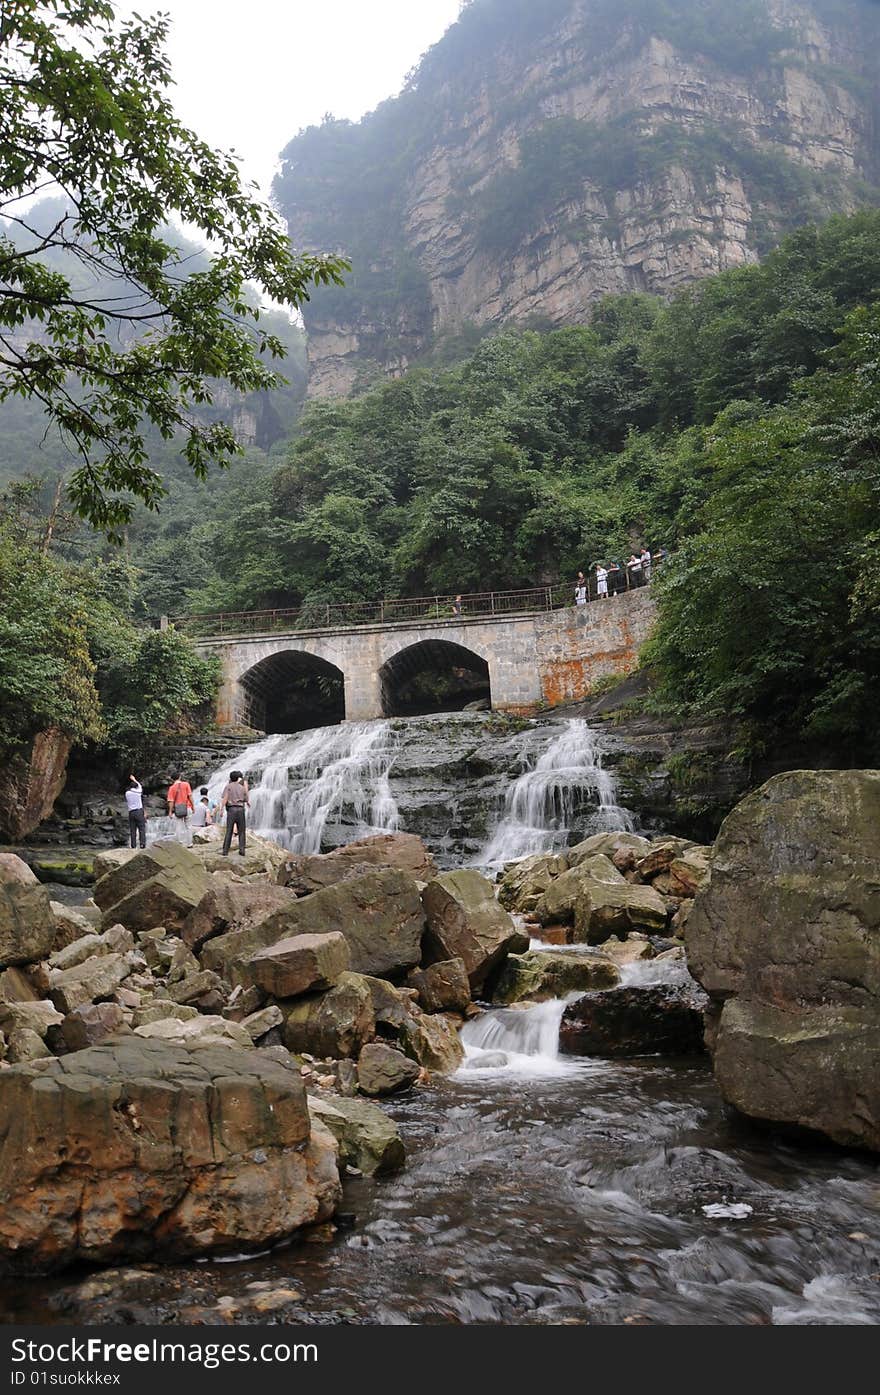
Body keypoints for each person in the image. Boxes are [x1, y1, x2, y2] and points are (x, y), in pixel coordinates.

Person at [220, 770, 250, 856]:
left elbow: (225, 798)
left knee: (229, 830)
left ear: (231, 778)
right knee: (241, 830)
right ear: (238, 778)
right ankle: (242, 849)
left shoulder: (228, 787)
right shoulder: (242, 787)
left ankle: (225, 850)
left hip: (231, 810)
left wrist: (221, 809)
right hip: (240, 809)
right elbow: (246, 799)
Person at [166, 773, 194, 844]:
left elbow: (171, 801)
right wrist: (193, 806)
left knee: (179, 826)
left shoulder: (171, 788)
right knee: (189, 826)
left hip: (178, 809)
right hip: (187, 807)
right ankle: (189, 843)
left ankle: (180, 842)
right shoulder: (186, 784)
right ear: (179, 777)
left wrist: (170, 811)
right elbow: (190, 796)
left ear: (172, 779)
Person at [125, 775, 147, 849]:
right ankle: (142, 844)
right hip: (139, 812)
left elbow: (132, 789)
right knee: (141, 828)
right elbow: (140, 786)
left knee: (133, 829)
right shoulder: (138, 792)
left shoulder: (127, 793)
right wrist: (134, 779)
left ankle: (133, 845)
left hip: (131, 812)